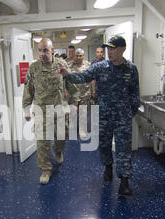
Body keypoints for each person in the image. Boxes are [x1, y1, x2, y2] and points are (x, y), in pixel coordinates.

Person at [58, 35, 140, 196]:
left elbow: (135, 92)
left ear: (122, 49)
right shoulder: (100, 66)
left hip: (123, 116)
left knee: (123, 149)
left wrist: (132, 111)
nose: (110, 52)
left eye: (113, 49)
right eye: (108, 49)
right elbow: (83, 77)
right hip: (103, 114)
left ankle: (124, 181)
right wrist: (68, 75)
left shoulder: (131, 69)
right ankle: (108, 168)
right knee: (104, 145)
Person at [23, 38, 77, 185]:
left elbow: (70, 83)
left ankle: (58, 150)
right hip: (41, 111)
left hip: (59, 109)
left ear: (52, 50)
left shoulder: (62, 64)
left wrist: (74, 102)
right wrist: (26, 108)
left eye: (45, 50)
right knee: (42, 143)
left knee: (62, 137)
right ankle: (46, 169)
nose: (42, 53)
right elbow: (28, 89)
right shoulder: (33, 68)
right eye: (39, 50)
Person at [67, 48, 91, 138]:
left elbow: (92, 79)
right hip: (73, 94)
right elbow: (66, 79)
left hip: (84, 93)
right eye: (77, 55)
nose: (78, 57)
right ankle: (72, 129)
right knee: (72, 112)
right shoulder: (70, 66)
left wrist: (93, 92)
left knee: (83, 113)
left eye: (80, 55)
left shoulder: (88, 65)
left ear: (83, 56)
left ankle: (82, 130)